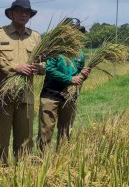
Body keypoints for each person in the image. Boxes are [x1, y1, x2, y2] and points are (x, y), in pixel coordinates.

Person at [0, 0, 43, 164]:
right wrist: (15, 67)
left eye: (27, 12)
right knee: (0, 135)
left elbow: (44, 61)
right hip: (3, 94)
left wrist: (38, 67)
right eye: (19, 11)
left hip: (26, 95)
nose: (23, 14)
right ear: (11, 13)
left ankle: (24, 171)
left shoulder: (35, 37)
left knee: (25, 137)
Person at [37, 18, 90, 150]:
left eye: (76, 31)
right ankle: (42, 160)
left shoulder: (80, 53)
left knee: (66, 130)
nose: (73, 34)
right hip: (50, 95)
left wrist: (83, 76)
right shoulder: (55, 50)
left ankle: (62, 159)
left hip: (69, 97)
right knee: (46, 130)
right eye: (70, 31)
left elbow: (78, 75)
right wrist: (69, 79)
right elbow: (49, 69)